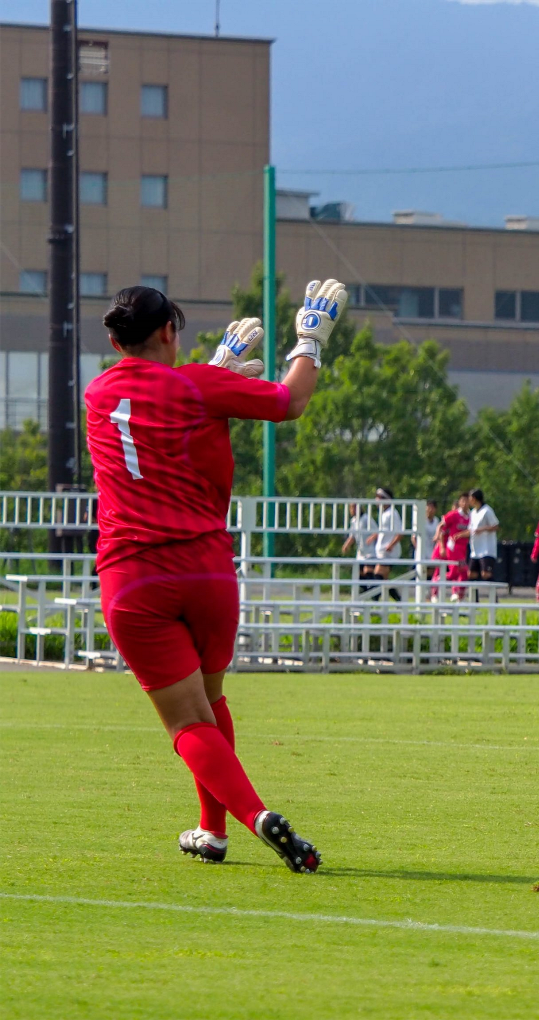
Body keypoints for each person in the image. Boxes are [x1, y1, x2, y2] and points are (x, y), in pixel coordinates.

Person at [85, 279, 348, 872]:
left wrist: (218, 371)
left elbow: (157, 417)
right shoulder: (197, 386)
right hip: (206, 571)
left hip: (133, 579)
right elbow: (290, 400)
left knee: (186, 721)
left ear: (112, 337)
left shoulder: (96, 394)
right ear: (169, 331)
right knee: (212, 699)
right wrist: (312, 336)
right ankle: (212, 830)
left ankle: (256, 817)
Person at [438, 492, 472, 601]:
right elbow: (441, 528)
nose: (465, 503)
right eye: (463, 501)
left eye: (467, 500)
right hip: (453, 547)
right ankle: (454, 592)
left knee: (457, 573)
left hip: (463, 548)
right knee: (463, 570)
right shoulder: (454, 515)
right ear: (460, 502)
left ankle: (457, 595)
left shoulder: (471, 516)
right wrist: (442, 546)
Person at [340, 501, 379, 595]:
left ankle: (375, 593)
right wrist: (347, 545)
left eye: (354, 508)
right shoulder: (353, 521)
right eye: (351, 508)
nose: (352, 510)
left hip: (370, 552)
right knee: (359, 575)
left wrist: (371, 538)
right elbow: (352, 536)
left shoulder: (366, 519)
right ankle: (368, 594)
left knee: (368, 572)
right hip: (361, 553)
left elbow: (377, 531)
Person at [373, 486, 403, 601]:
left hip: (388, 552)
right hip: (382, 551)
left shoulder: (392, 514)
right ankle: (398, 600)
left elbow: (399, 532)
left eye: (380, 497)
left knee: (378, 576)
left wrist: (391, 545)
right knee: (384, 580)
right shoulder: (384, 514)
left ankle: (373, 600)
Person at [466, 489, 500, 582]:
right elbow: (471, 529)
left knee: (485, 574)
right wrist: (459, 535)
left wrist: (482, 529)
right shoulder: (473, 512)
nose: (469, 500)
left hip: (487, 550)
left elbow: (495, 526)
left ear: (474, 498)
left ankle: (494, 596)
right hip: (475, 550)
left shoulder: (487, 510)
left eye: (470, 497)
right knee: (471, 574)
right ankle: (474, 597)